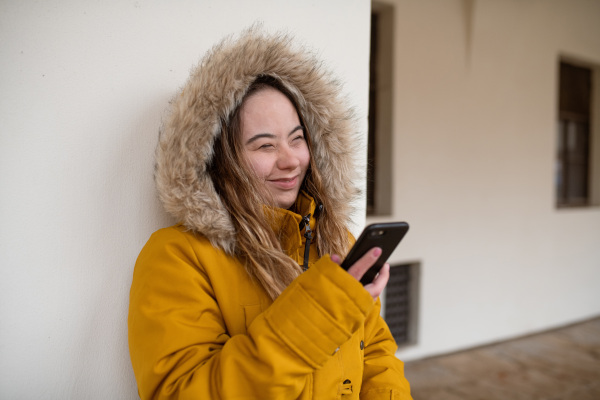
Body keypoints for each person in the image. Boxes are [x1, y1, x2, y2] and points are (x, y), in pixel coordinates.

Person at [128, 27, 413, 400]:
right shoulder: (178, 257)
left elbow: (376, 352)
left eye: (297, 138)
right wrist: (323, 311)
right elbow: (183, 392)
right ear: (223, 160)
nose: (291, 160)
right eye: (265, 145)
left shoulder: (335, 238)